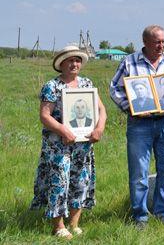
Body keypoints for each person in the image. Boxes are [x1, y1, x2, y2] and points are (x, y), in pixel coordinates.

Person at [109, 25, 164, 227]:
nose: (161, 46)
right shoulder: (129, 62)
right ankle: (140, 216)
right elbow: (115, 89)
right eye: (157, 42)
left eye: (163, 41)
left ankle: (162, 212)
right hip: (139, 124)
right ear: (145, 42)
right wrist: (130, 107)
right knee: (139, 172)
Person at [31, 45, 107, 239]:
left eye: (78, 60)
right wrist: (63, 129)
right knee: (60, 181)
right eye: (70, 60)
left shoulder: (87, 84)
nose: (75, 64)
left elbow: (101, 110)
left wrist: (99, 129)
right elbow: (44, 115)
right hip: (58, 145)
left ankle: (74, 224)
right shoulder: (52, 86)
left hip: (83, 144)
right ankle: (58, 226)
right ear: (61, 64)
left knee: (80, 181)